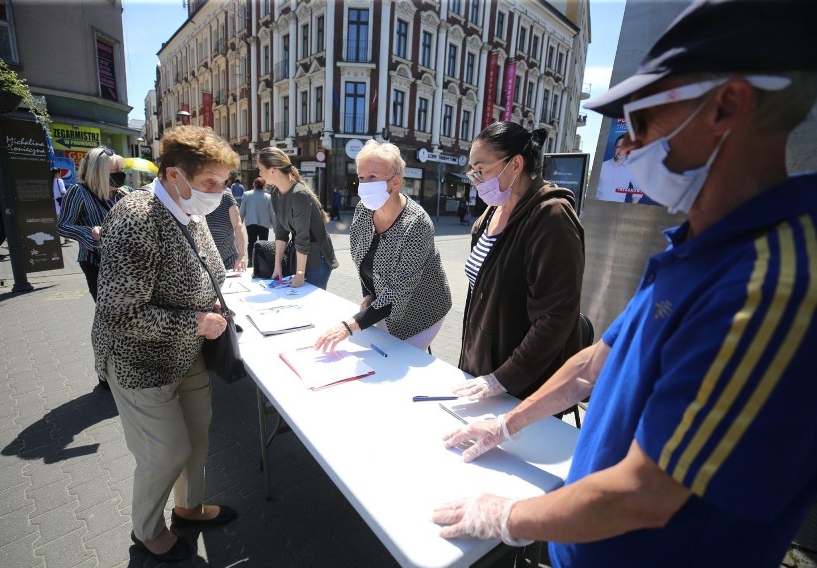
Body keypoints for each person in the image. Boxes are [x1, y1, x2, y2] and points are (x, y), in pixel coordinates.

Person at [432, 3, 817, 568]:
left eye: (641, 121)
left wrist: (508, 517)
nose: (627, 148)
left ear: (726, 106)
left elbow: (644, 495)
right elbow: (593, 363)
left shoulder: (770, 284)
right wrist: (505, 421)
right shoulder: (694, 245)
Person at [92, 125, 240, 563]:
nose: (217, 193)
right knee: (166, 452)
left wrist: (213, 297)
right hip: (141, 362)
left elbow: (211, 266)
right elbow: (119, 313)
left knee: (196, 439)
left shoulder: (188, 211)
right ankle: (147, 530)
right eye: (210, 183)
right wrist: (196, 321)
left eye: (223, 184)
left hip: (186, 355)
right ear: (175, 175)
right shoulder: (137, 218)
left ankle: (189, 509)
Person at [452, 122, 584, 401]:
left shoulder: (552, 217)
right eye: (472, 171)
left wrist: (502, 379)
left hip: (523, 382)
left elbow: (556, 316)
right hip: (483, 367)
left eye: (481, 169)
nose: (475, 179)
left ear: (515, 165)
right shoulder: (490, 214)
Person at [314, 140, 451, 352]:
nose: (364, 184)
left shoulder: (417, 224)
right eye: (361, 177)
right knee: (382, 354)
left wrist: (349, 326)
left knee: (402, 360)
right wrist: (368, 294)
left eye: (373, 177)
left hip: (422, 308)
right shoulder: (363, 211)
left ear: (395, 181)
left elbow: (400, 288)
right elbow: (361, 259)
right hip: (384, 305)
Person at [257, 147, 338, 289]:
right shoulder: (275, 192)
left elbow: (302, 237)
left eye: (260, 169)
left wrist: (300, 274)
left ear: (272, 170)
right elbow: (281, 231)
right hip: (300, 256)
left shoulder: (299, 195)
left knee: (311, 306)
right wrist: (277, 265)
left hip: (316, 259)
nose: (259, 173)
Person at [56, 147, 127, 301]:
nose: (120, 174)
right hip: (96, 261)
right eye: (115, 170)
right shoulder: (78, 192)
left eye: (121, 169)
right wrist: (90, 233)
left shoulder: (124, 192)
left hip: (125, 261)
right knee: (109, 310)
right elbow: (62, 226)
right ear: (98, 172)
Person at [204, 186, 247, 271]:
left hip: (229, 257)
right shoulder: (198, 199)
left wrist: (242, 254)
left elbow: (238, 226)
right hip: (206, 259)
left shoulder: (226, 197)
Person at [239, 176, 276, 263]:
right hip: (264, 223)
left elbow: (242, 210)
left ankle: (251, 262)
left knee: (251, 242)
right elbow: (272, 213)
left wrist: (239, 222)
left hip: (251, 222)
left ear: (254, 184)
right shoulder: (268, 197)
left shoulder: (246, 194)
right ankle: (263, 262)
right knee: (264, 243)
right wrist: (275, 227)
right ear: (264, 185)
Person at [595, 134, 641, 203]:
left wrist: (632, 206)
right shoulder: (601, 166)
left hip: (617, 211)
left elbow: (638, 189)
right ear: (614, 148)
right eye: (618, 147)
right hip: (597, 208)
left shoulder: (632, 169)